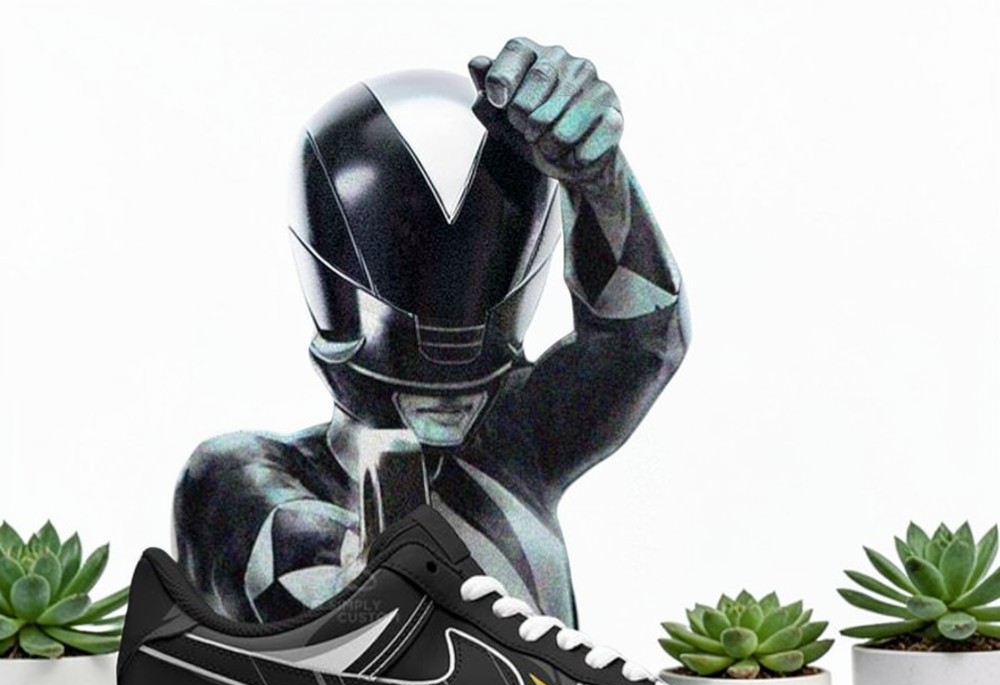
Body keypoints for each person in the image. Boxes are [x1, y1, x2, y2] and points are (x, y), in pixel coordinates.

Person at [175, 37, 690, 625]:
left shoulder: (516, 445)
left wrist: (598, 179)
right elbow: (324, 590)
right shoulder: (239, 473)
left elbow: (643, 341)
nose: (447, 394)